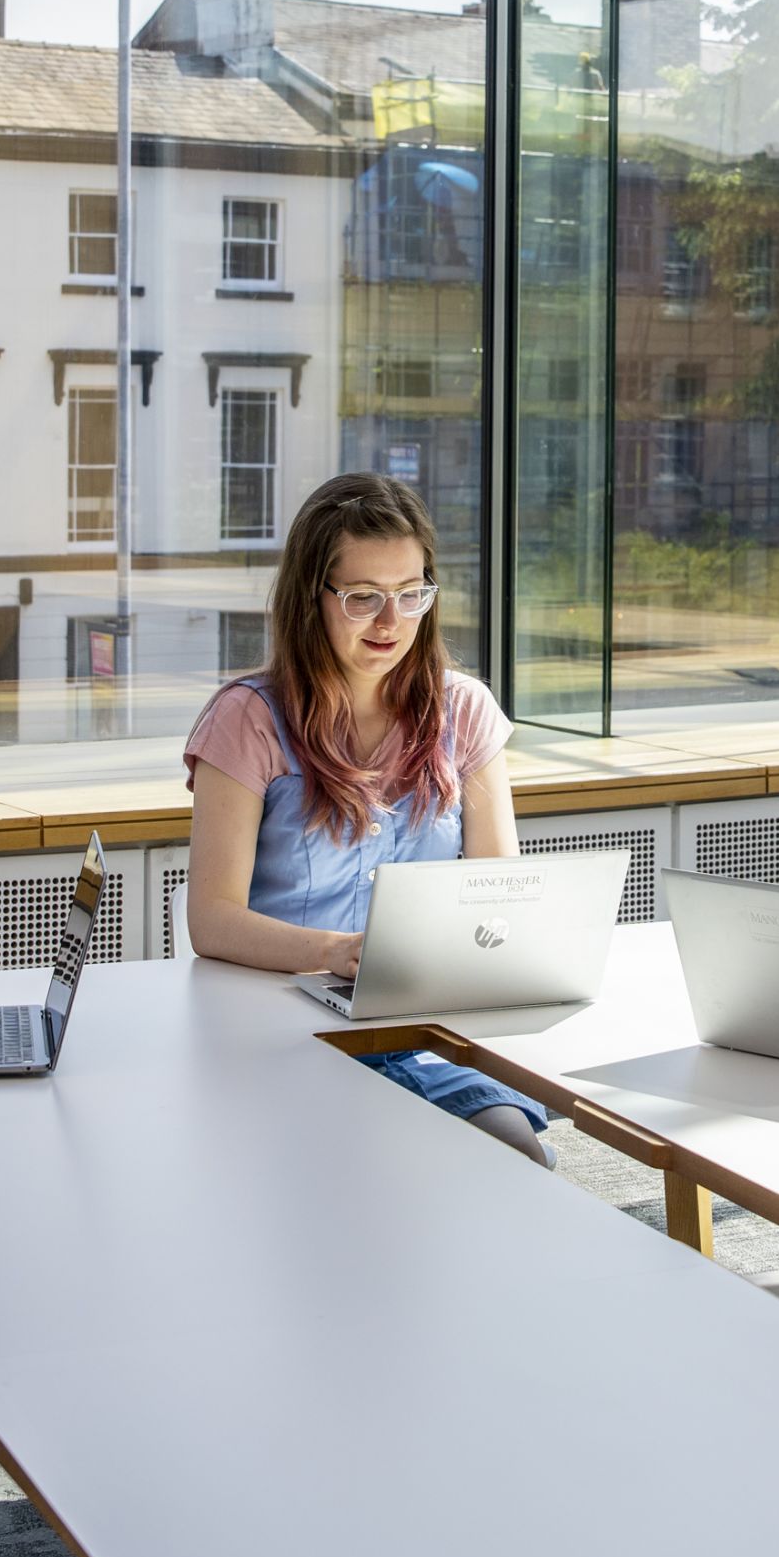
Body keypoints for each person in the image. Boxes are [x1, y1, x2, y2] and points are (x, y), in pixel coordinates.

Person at [180, 472, 560, 1165]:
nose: (392, 622)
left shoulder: (465, 711)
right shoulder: (247, 719)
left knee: (519, 1162)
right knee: (355, 1172)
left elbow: (501, 894)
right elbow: (211, 918)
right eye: (362, 598)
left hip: (422, 1033)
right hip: (278, 1033)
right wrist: (333, 951)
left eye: (411, 594)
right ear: (312, 599)